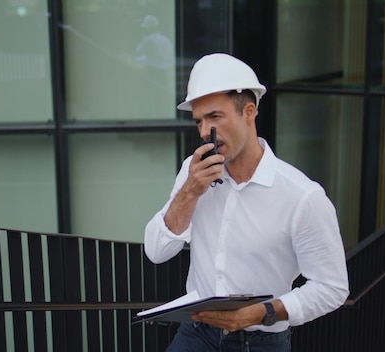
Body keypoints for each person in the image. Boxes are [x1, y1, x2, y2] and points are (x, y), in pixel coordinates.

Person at [144, 53, 349, 351]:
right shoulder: (194, 172)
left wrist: (263, 312)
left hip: (261, 340)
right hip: (196, 334)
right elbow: (156, 251)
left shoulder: (302, 197)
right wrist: (190, 191)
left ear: (249, 112)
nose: (204, 132)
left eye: (214, 117)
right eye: (199, 121)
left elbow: (332, 288)